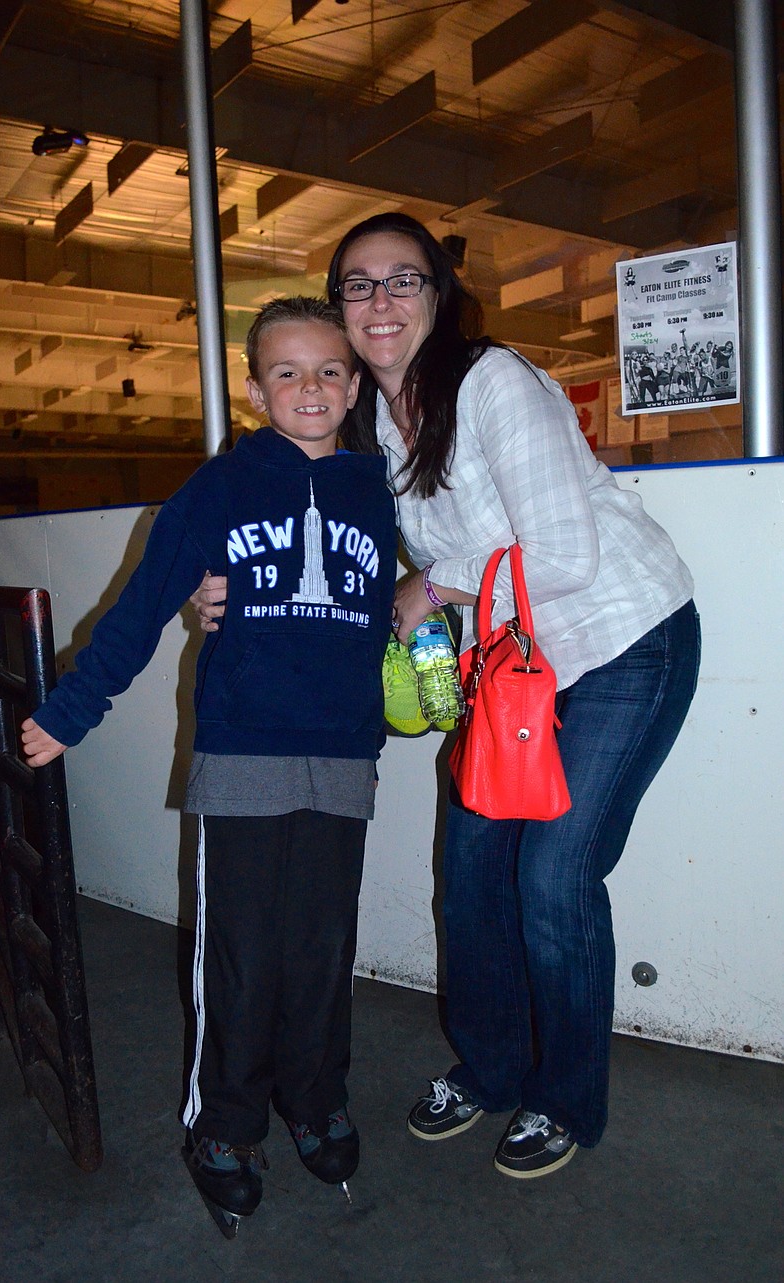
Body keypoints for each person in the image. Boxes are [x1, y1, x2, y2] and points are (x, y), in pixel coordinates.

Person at [194, 214, 700, 1182]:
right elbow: (293, 513)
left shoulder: (492, 382)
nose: (379, 301)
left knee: (551, 876)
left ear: (437, 293)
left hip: (622, 642)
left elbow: (563, 554)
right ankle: (492, 1062)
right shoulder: (370, 425)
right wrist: (215, 579)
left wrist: (424, 587)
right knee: (467, 869)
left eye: (402, 280)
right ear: (341, 307)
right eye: (358, 284)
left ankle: (566, 1094)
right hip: (511, 669)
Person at [22, 296, 398, 1233]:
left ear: (354, 384)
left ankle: (314, 1100)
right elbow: (146, 600)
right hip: (243, 751)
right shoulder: (222, 487)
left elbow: (429, 564)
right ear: (254, 385)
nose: (309, 388)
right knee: (238, 952)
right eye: (287, 372)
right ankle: (224, 1123)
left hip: (344, 752)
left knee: (321, 948)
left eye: (327, 372)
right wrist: (73, 710)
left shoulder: (379, 486)